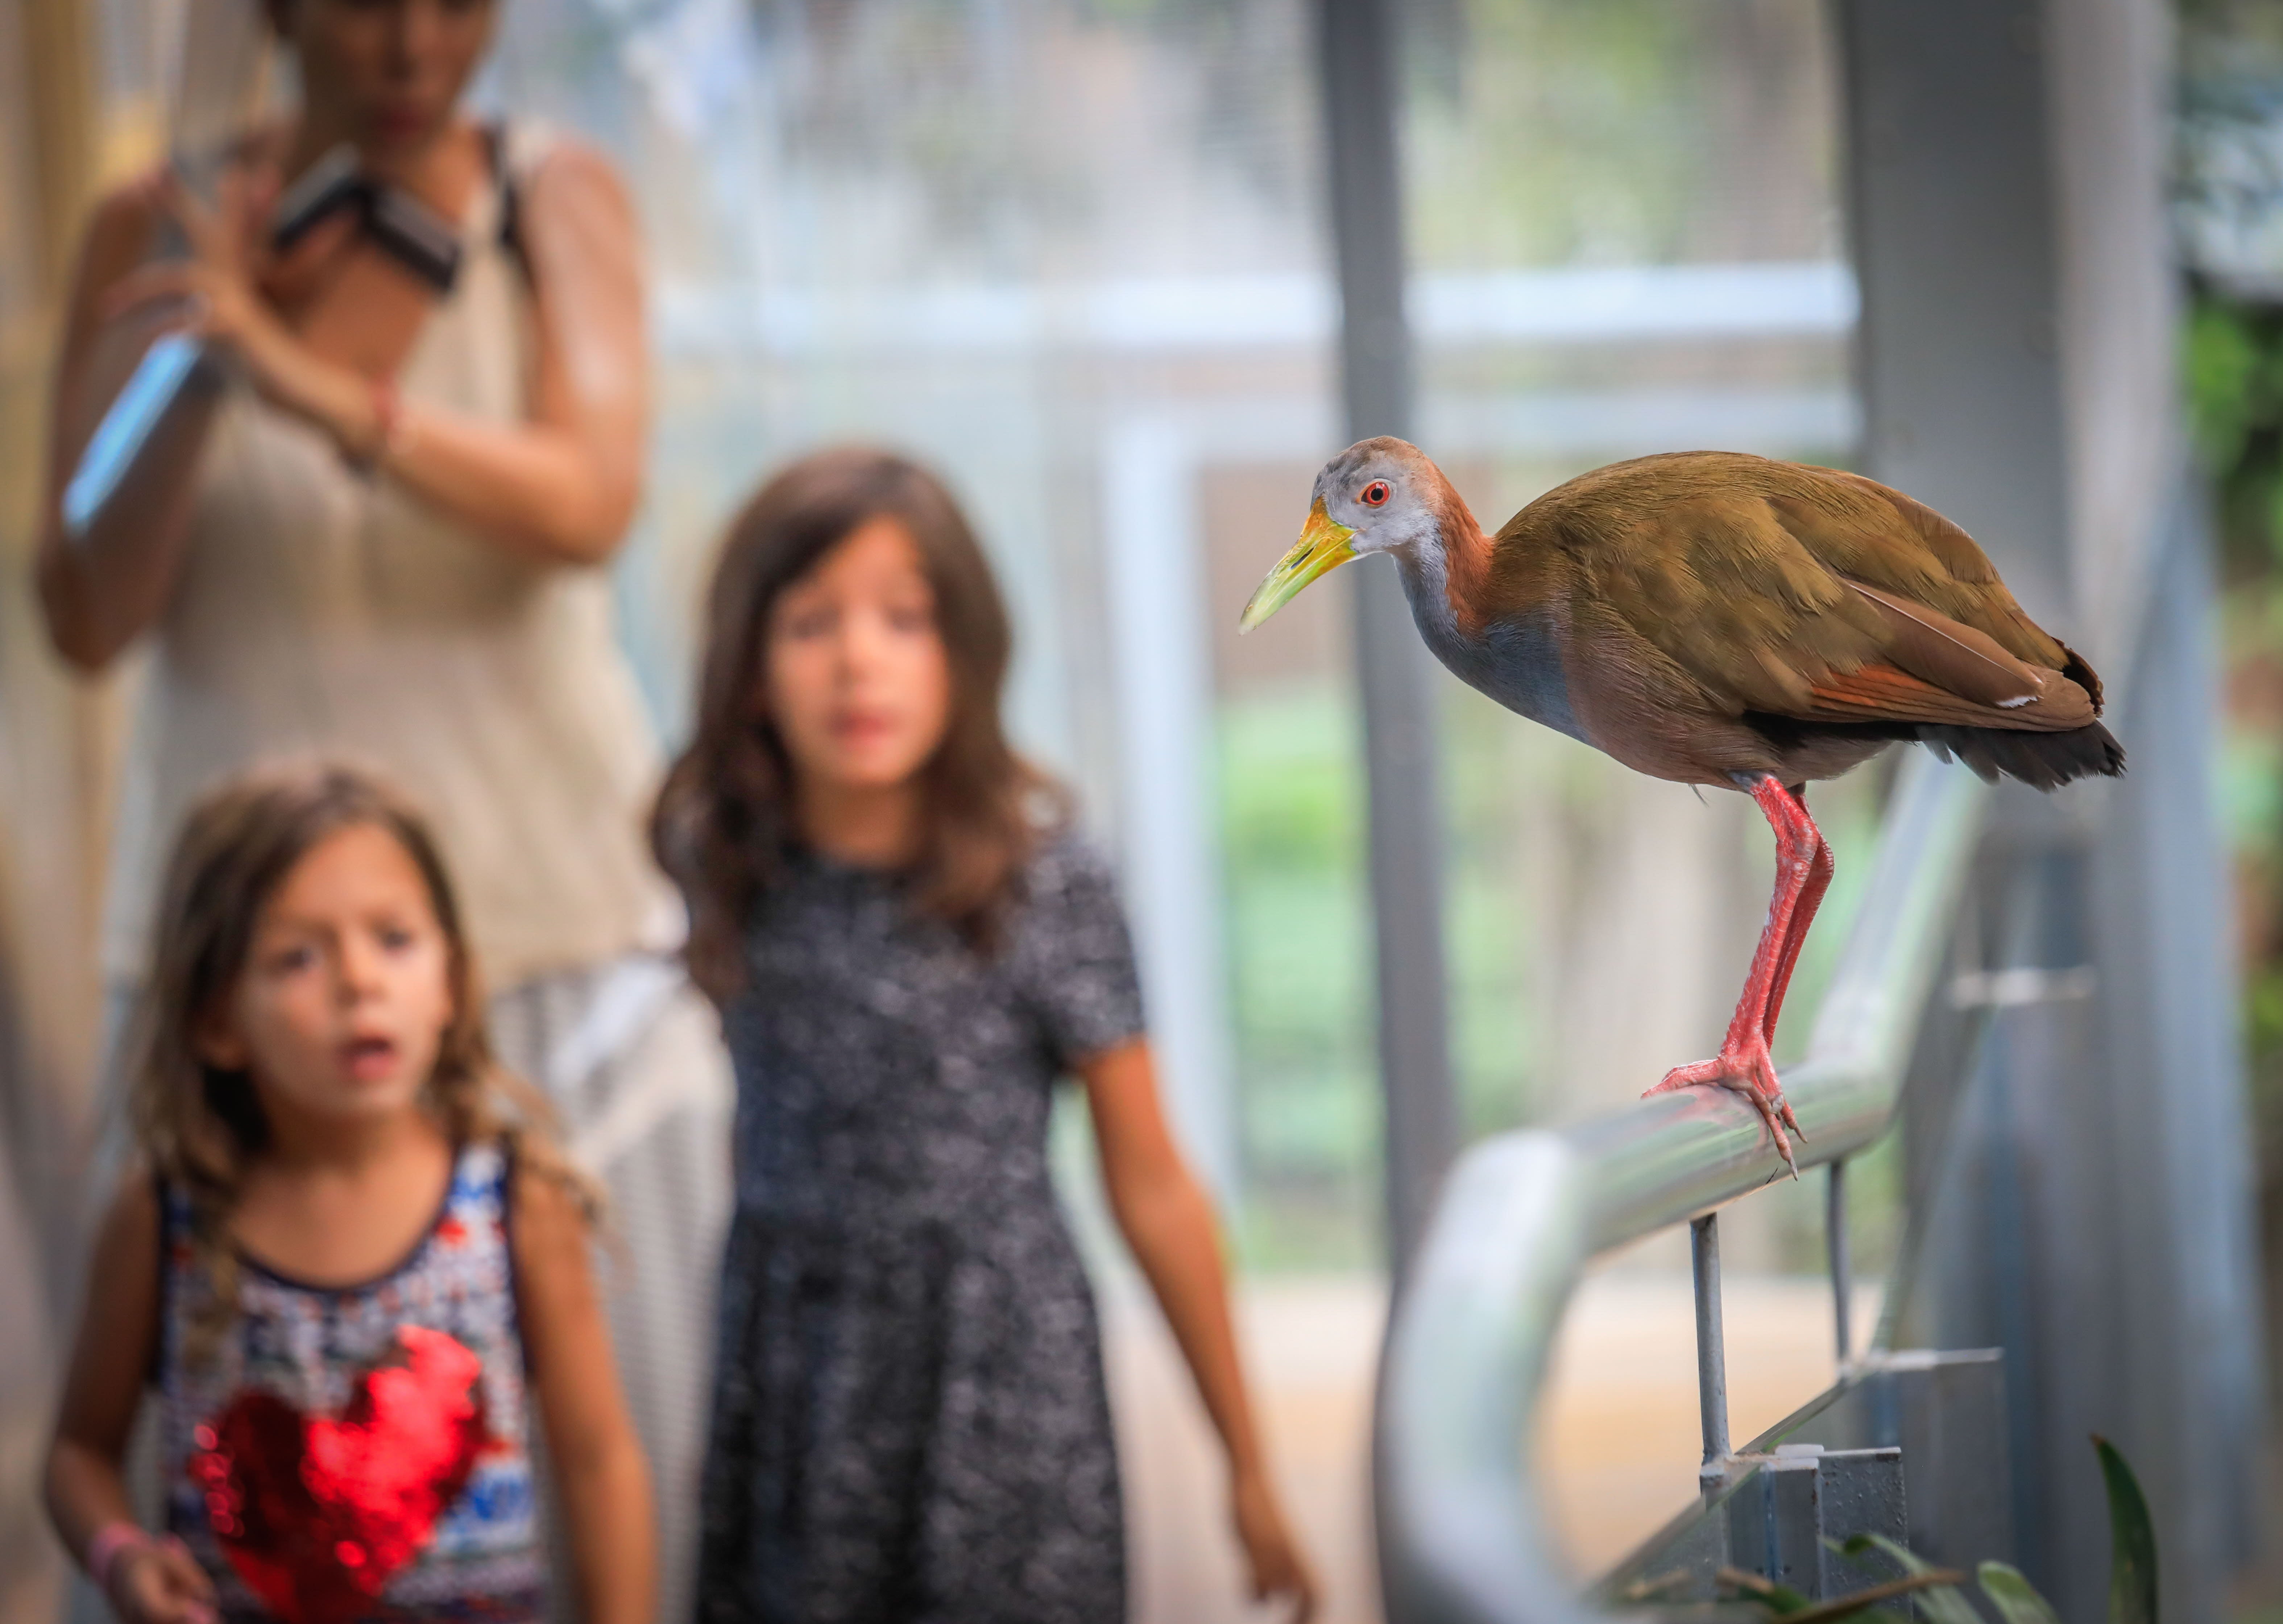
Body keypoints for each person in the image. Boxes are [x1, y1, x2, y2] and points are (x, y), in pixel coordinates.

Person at [35, 3, 726, 1615]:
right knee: (202, 1464)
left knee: (613, 1431)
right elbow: (83, 608)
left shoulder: (551, 191)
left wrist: (309, 381)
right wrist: (207, 363)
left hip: (546, 938)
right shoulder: (153, 227)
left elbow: (587, 501)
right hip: (243, 965)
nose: (416, 39)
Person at [654, 448, 1321, 1623]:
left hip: (995, 1379)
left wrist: (1247, 1466)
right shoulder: (727, 859)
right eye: (811, 622)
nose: (859, 658)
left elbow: (1153, 1185)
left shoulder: (1041, 882)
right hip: (792, 1376)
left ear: (964, 651)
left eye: (903, 619)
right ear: (749, 664)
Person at [43, 765, 655, 1624]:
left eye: (395, 938)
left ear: (453, 981)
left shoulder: (514, 1201)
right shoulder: (164, 1218)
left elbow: (599, 1461)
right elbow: (77, 1450)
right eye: (297, 955)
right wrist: (122, 1557)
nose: (358, 980)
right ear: (217, 1019)